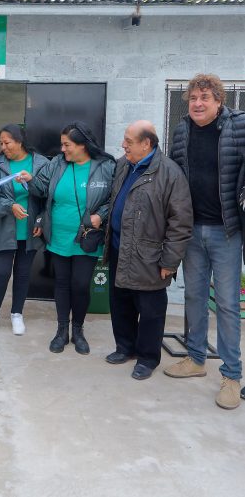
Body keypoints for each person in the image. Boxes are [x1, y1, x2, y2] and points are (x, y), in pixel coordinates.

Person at [165, 74, 245, 409]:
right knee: (194, 296)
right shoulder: (182, 130)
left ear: (218, 101)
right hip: (192, 229)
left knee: (226, 303)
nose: (198, 103)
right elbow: (174, 173)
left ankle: (231, 376)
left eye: (205, 98)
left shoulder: (238, 126)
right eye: (193, 98)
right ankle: (196, 358)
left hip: (227, 231)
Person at [104, 121, 192, 380]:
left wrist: (170, 261)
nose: (123, 145)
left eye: (129, 141)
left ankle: (147, 358)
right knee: (120, 303)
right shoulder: (123, 165)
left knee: (151, 311)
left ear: (146, 144)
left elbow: (181, 222)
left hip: (150, 257)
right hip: (120, 248)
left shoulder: (170, 173)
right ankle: (125, 347)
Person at [22, 122, 115, 354]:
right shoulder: (57, 164)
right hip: (59, 236)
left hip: (87, 237)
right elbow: (41, 189)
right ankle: (62, 330)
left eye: (67, 145)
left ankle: (78, 330)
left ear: (83, 145)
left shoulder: (105, 166)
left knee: (81, 285)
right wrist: (29, 179)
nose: (62, 149)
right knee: (62, 283)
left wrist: (101, 216)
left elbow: (114, 198)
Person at [0, 124, 46, 336]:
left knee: (23, 274)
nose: (3, 147)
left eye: (7, 143)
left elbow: (48, 195)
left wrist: (41, 221)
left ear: (20, 141)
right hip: (5, 228)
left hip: (30, 230)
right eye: (1, 143)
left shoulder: (41, 164)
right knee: (1, 272)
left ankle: (17, 314)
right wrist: (10, 206)